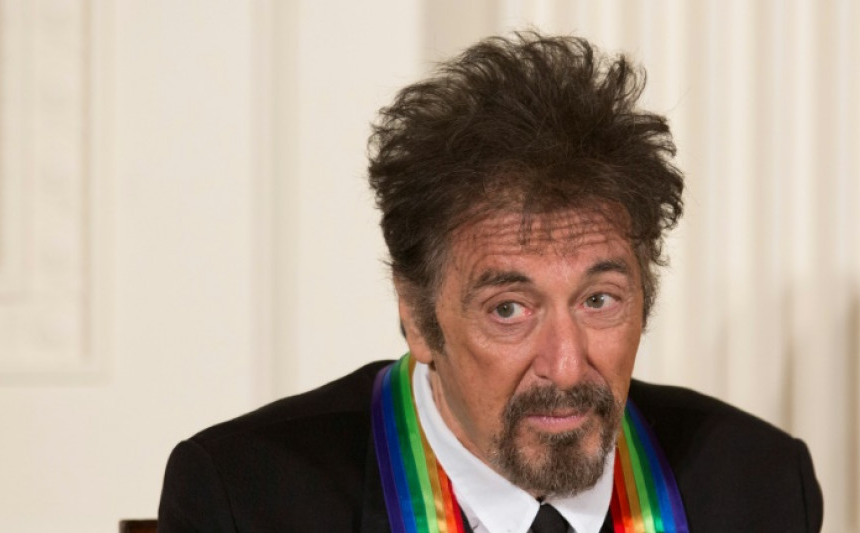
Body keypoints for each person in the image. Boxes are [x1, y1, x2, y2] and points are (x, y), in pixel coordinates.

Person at [157, 32, 822, 533]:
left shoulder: (760, 487)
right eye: (509, 309)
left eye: (598, 300)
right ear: (418, 318)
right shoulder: (244, 498)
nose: (566, 365)